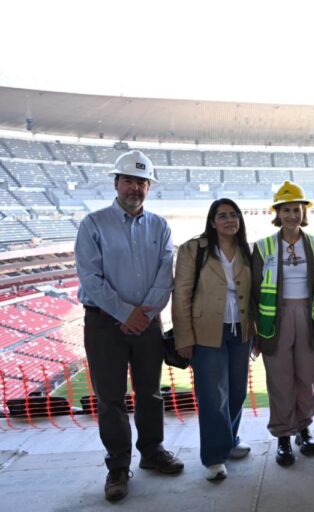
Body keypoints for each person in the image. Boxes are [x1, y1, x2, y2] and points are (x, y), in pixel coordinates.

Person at [75, 150, 183, 502]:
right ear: (116, 183)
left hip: (148, 322)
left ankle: (152, 452)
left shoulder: (160, 226)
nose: (135, 187)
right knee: (110, 398)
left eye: (141, 182)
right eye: (129, 180)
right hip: (104, 324)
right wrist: (126, 313)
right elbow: (90, 278)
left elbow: (164, 276)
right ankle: (118, 466)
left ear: (148, 186)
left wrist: (144, 313)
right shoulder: (93, 224)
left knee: (150, 393)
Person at [172, 198, 255, 481]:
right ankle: (214, 456)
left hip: (239, 331)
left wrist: (254, 332)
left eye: (234, 215)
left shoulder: (247, 249)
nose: (230, 220)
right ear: (212, 221)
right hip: (207, 332)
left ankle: (230, 441)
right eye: (223, 216)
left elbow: (252, 295)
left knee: (236, 391)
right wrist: (184, 337)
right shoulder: (193, 249)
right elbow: (181, 294)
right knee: (212, 396)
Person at [252, 181, 314, 467]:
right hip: (275, 319)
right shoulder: (263, 246)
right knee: (280, 379)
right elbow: (255, 291)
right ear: (277, 213)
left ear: (303, 212)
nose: (292, 215)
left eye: (296, 209)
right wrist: (257, 329)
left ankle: (304, 430)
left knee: (306, 379)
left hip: (307, 316)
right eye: (286, 210)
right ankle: (283, 435)